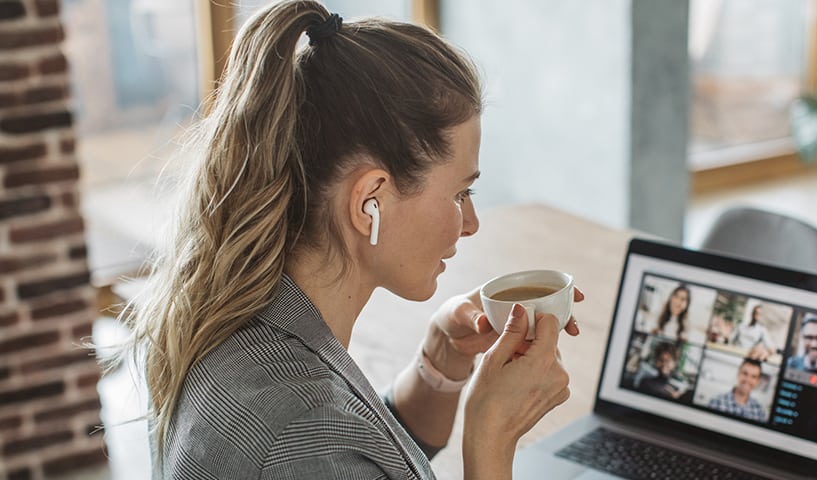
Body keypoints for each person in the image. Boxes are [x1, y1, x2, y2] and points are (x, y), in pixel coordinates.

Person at [114, 2, 582, 478]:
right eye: (461, 192)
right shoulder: (300, 432)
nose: (471, 222)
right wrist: (491, 436)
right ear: (368, 202)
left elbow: (367, 455)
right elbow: (323, 450)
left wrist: (441, 362)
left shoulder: (246, 322)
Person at [707, 358, 766, 422]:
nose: (748, 380)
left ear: (757, 381)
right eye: (745, 373)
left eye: (753, 376)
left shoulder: (759, 411)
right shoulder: (716, 402)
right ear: (738, 374)